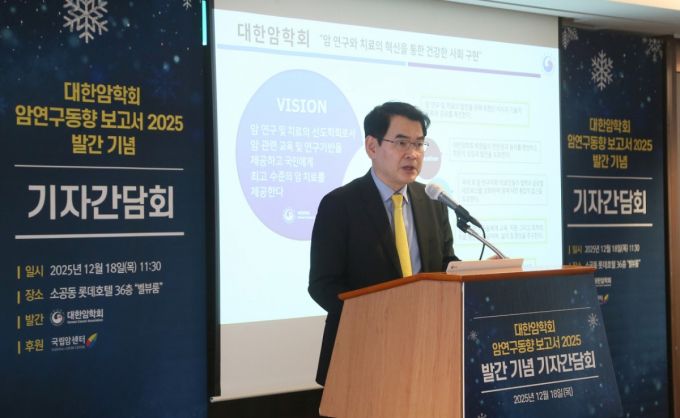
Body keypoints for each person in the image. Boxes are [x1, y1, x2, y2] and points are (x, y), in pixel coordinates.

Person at [308, 101, 458, 385]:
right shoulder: (340, 204)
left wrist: (474, 272)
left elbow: (443, 263)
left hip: (426, 349)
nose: (413, 153)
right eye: (401, 143)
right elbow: (322, 285)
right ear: (372, 146)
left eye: (419, 144)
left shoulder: (432, 201)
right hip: (361, 352)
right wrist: (378, 317)